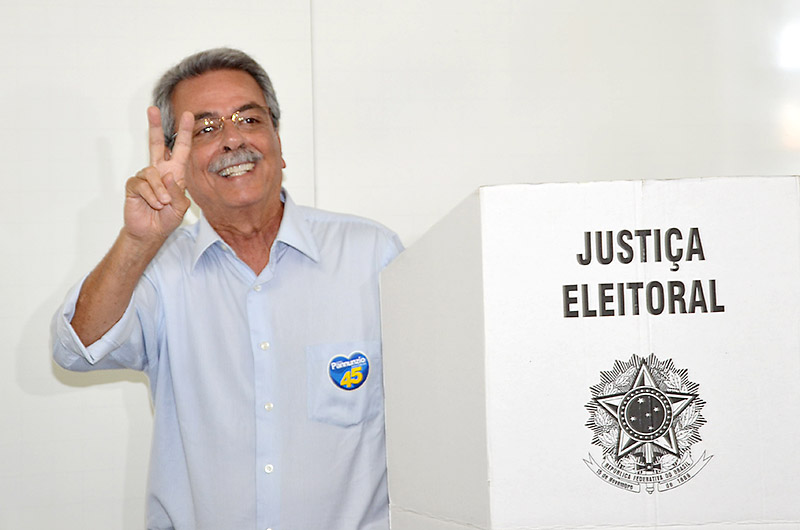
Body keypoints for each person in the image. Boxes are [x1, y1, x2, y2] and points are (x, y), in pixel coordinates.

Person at [51, 48, 403, 530]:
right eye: (207, 129)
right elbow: (76, 348)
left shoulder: (372, 254)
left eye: (249, 118)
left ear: (278, 141)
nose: (234, 138)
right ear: (179, 162)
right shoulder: (158, 271)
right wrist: (138, 242)